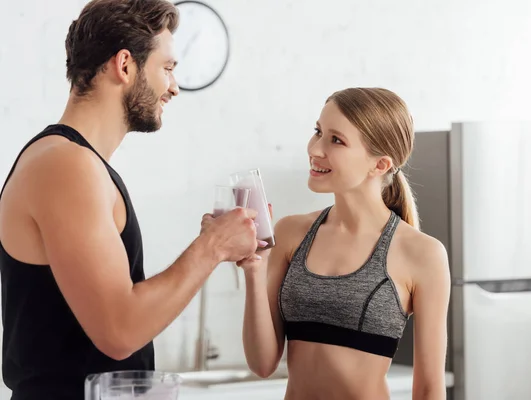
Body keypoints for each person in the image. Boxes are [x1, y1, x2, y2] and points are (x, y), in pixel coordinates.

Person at [0, 0, 264, 398]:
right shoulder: (64, 165)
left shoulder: (76, 164)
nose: (173, 87)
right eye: (168, 68)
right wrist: (213, 247)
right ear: (125, 65)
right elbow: (118, 331)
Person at [236, 87, 451, 399]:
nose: (315, 148)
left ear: (379, 165)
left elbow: (430, 388)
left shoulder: (422, 253)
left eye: (336, 140)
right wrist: (254, 268)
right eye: (318, 131)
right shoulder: (291, 233)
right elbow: (262, 363)